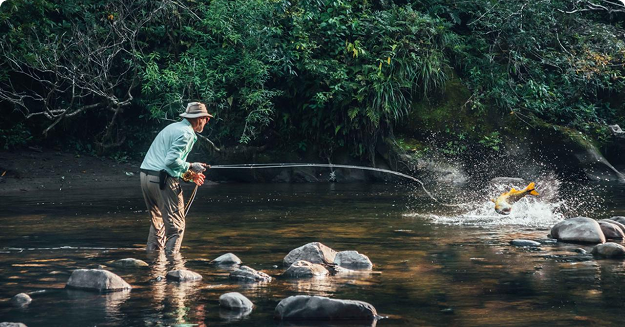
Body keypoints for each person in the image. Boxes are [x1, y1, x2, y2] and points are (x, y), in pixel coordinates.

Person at [140, 102, 212, 253]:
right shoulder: (187, 133)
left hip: (146, 177)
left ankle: (154, 264)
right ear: (200, 118)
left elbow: (168, 163)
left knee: (158, 223)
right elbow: (170, 161)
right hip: (162, 181)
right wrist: (192, 165)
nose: (207, 122)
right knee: (176, 228)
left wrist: (190, 176)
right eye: (206, 118)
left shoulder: (172, 127)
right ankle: (174, 267)